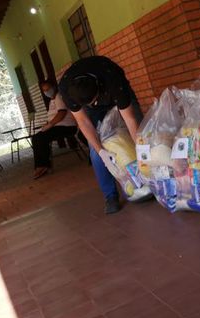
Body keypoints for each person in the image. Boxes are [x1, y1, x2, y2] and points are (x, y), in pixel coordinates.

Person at [59, 56, 143, 214]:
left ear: (98, 87)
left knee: (140, 134)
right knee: (96, 150)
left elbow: (130, 119)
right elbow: (83, 121)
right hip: (92, 109)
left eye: (94, 101)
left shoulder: (112, 79)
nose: (93, 104)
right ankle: (110, 196)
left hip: (117, 95)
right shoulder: (66, 89)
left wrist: (141, 148)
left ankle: (151, 178)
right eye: (88, 104)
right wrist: (101, 152)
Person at [32, 80, 79, 179]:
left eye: (48, 89)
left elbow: (61, 113)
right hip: (57, 126)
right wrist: (47, 124)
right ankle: (41, 165)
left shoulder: (59, 96)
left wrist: (50, 125)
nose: (47, 92)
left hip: (67, 127)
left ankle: (43, 165)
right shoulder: (52, 100)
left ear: (54, 87)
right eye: (44, 90)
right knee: (36, 137)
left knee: (40, 137)